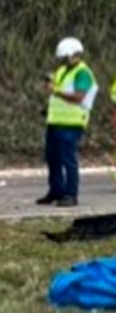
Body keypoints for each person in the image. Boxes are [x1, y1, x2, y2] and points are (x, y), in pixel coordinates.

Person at [40, 37, 97, 208]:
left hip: (72, 124)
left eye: (65, 57)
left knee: (68, 160)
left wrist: (55, 91)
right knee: (52, 158)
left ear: (75, 55)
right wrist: (48, 106)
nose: (63, 61)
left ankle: (71, 194)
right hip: (56, 121)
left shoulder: (82, 73)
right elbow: (58, 93)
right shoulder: (62, 70)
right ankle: (56, 191)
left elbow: (78, 97)